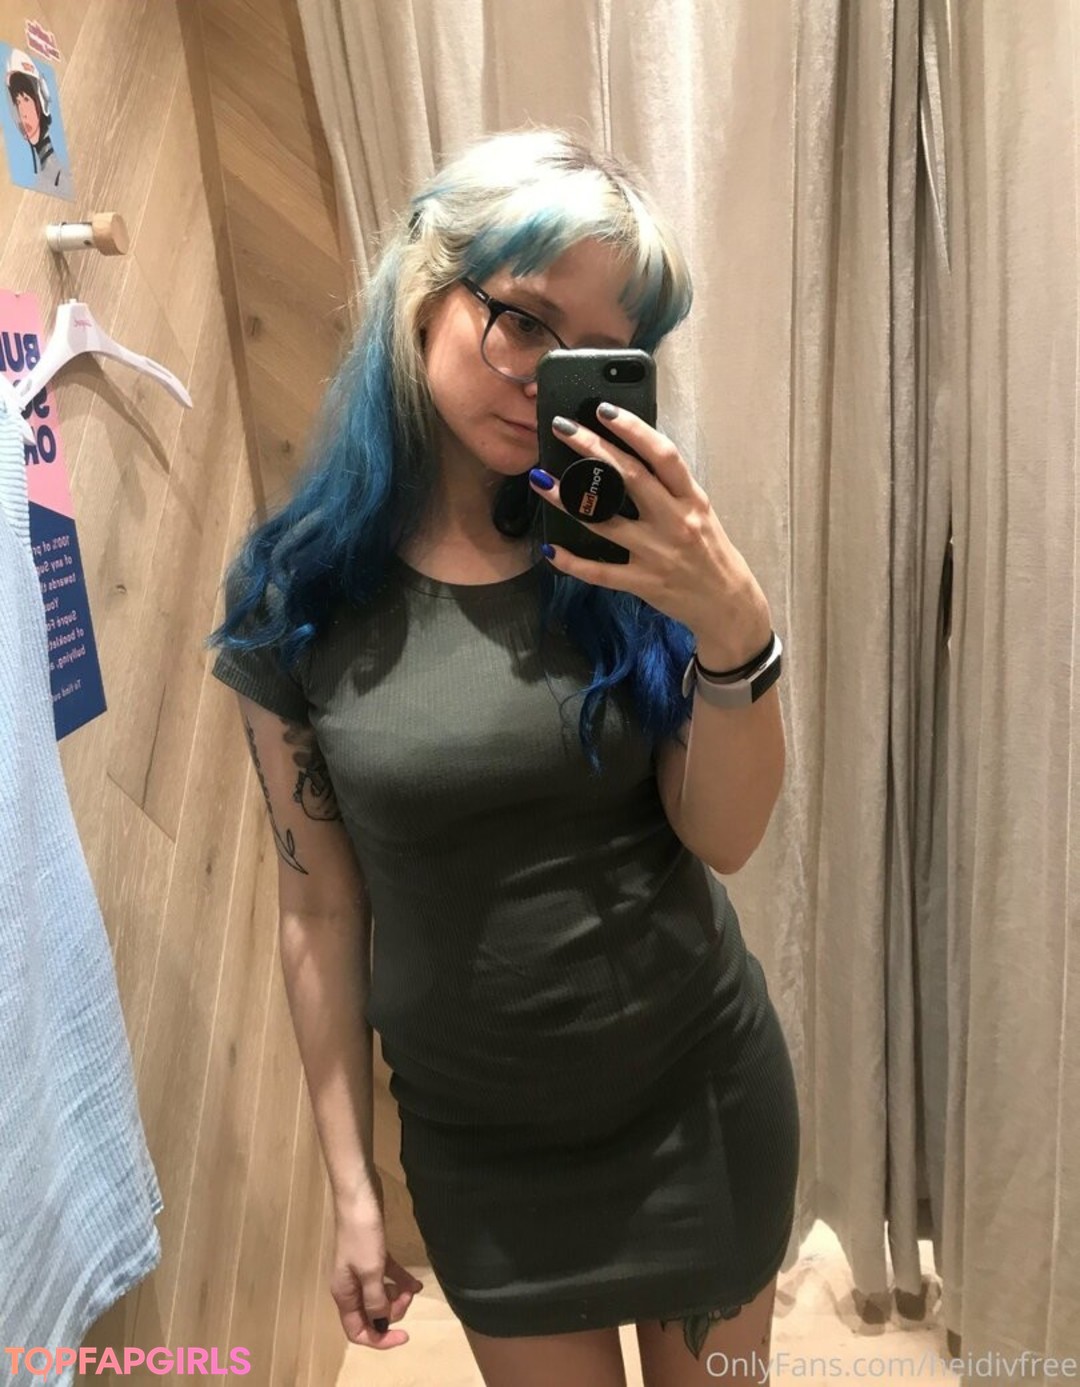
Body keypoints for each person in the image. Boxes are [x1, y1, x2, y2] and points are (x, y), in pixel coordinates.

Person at [206, 126, 800, 1387]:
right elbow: (318, 909)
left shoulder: (633, 547)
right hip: (489, 1158)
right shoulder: (298, 593)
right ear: (428, 294)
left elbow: (726, 836)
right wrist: (352, 1185)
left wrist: (736, 631)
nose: (541, 379)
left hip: (698, 1101)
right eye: (523, 321)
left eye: (593, 350)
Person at [4, 49, 72, 200]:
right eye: (18, 102)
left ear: (41, 100)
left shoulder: (60, 176)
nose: (22, 112)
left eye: (26, 100)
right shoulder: (40, 174)